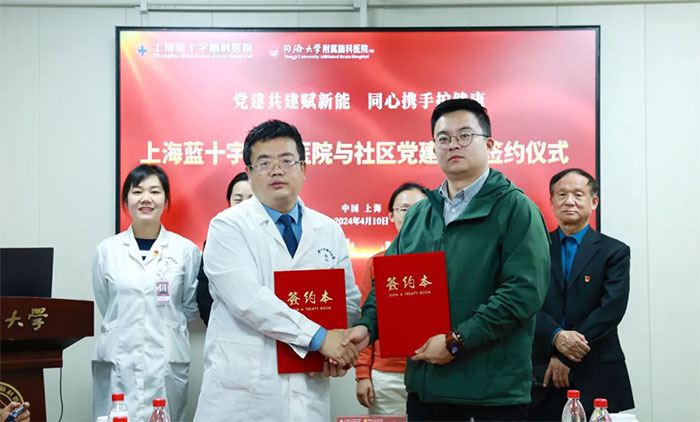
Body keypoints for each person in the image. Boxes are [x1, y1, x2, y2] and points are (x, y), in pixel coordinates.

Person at [342, 98, 551, 421]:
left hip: (491, 395)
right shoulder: (420, 214)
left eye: (464, 135)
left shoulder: (516, 209)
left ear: (489, 144)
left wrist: (457, 342)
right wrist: (368, 327)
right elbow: (389, 283)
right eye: (443, 138)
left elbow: (522, 293)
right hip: (427, 391)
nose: (453, 144)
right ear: (434, 147)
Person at [193, 119, 361, 422]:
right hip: (242, 398)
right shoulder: (226, 226)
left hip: (308, 384)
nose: (276, 170)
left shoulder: (328, 229)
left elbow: (347, 301)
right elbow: (248, 300)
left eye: (286, 160)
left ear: (304, 168)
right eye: (264, 162)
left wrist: (339, 348)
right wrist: (321, 339)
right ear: (249, 172)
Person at [92, 164, 200, 421]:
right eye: (137, 191)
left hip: (165, 361)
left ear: (166, 200)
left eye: (154, 191)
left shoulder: (185, 251)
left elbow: (189, 306)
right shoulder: (107, 251)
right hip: (119, 358)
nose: (146, 198)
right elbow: (107, 304)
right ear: (126, 200)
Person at [528, 168, 634, 421]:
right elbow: (524, 302)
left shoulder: (614, 251)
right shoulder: (533, 248)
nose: (570, 201)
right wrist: (555, 336)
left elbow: (611, 309)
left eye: (578, 194)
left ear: (593, 202)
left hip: (596, 368)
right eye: (562, 194)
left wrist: (566, 355)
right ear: (552, 201)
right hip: (542, 369)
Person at [355, 182, 427, 415]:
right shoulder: (377, 262)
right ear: (391, 215)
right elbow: (366, 318)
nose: (411, 215)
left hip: (433, 371)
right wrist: (363, 373)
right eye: (404, 209)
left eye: (419, 208)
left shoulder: (443, 260)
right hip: (386, 376)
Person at [196, 171, 253, 325]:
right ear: (229, 203)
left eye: (251, 199)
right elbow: (204, 294)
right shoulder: (215, 240)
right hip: (226, 330)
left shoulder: (275, 237)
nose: (244, 205)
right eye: (238, 200)